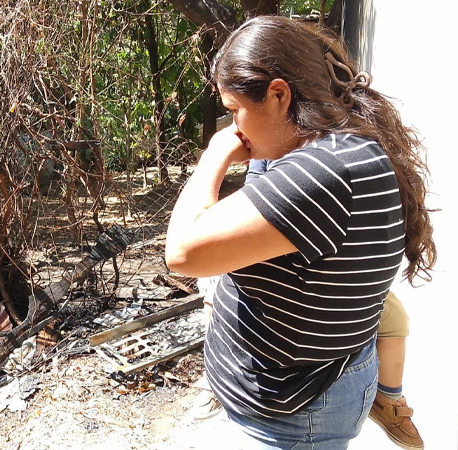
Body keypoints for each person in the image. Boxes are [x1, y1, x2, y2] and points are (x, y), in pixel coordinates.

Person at [165, 15, 435, 450]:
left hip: (296, 415)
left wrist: (214, 156)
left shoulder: (323, 172)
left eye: (235, 111)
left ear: (278, 94)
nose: (234, 128)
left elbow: (182, 253)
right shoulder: (321, 142)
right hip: (302, 392)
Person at [246, 159, 425, 449]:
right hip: (295, 280)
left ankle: (389, 401)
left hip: (344, 274)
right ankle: (214, 382)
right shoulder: (279, 158)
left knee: (395, 320)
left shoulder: (352, 157)